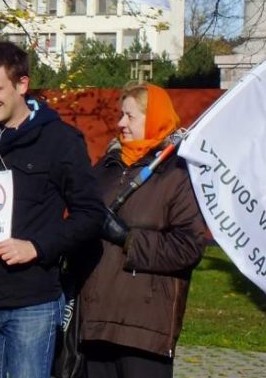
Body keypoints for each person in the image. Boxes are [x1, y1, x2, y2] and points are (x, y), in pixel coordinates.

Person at [0, 41, 104, 378]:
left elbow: (91, 215)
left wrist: (36, 247)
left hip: (31, 305)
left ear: (22, 85)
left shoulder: (61, 140)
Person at [76, 83, 208, 378]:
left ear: (153, 118)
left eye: (130, 116)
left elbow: (189, 247)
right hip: (96, 321)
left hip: (144, 328)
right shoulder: (107, 168)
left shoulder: (178, 173)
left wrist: (127, 238)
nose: (120, 123)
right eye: (121, 115)